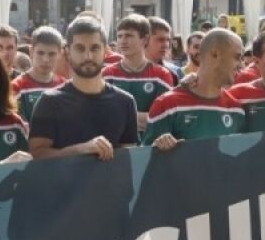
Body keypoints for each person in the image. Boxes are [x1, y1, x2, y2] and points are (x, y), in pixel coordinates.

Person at [29, 17, 139, 160]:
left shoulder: (125, 102)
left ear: (105, 51)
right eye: (80, 48)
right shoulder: (49, 102)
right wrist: (80, 150)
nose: (88, 56)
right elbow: (36, 156)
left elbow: (129, 159)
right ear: (68, 52)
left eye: (95, 48)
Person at [145, 28, 246, 152]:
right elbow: (142, 157)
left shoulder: (236, 109)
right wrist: (156, 147)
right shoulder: (167, 105)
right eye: (236, 57)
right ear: (215, 54)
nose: (241, 64)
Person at [102, 14, 176, 131]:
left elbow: (163, 119)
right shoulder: (107, 73)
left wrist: (120, 116)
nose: (123, 41)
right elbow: (102, 115)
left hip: (148, 142)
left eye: (129, 36)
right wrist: (142, 118)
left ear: (145, 39)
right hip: (115, 142)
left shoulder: (162, 75)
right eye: (119, 36)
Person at [13, 27, 66, 124]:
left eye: (51, 54)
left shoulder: (65, 86)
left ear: (60, 54)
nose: (45, 59)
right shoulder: (16, 87)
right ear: (31, 52)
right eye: (40, 53)